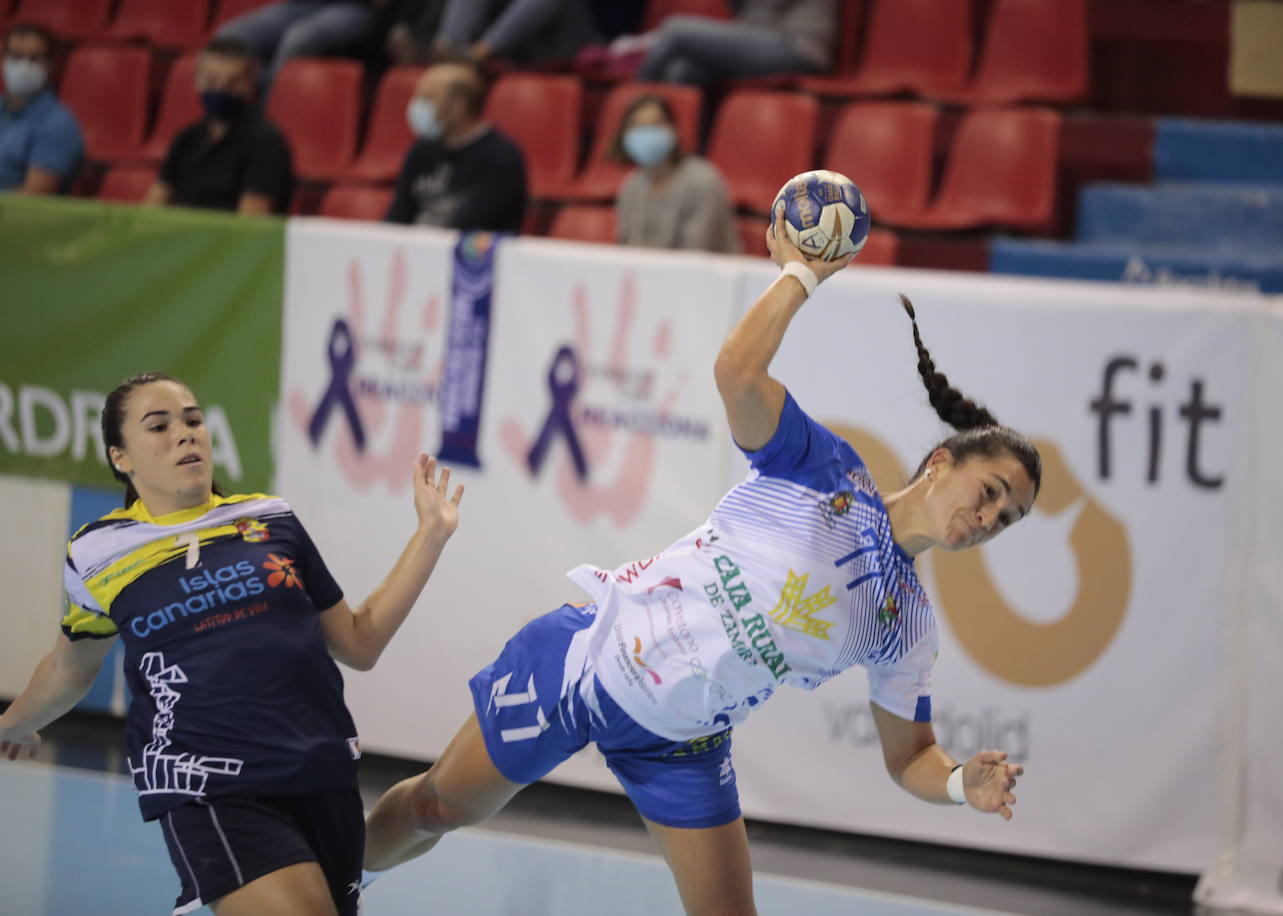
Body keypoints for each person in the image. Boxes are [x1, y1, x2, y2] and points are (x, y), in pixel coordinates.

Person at [362, 208, 1035, 913]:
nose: (989, 520)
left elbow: (910, 758)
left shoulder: (907, 625)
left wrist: (962, 784)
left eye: (1007, 519)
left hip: (682, 744)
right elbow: (737, 370)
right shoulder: (827, 470)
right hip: (589, 661)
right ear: (941, 461)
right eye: (991, 493)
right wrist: (801, 274)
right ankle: (340, 884)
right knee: (436, 806)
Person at [0, 372, 464, 915]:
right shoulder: (99, 552)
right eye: (160, 425)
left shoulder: (270, 519)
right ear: (120, 457)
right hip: (206, 782)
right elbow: (68, 668)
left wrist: (430, 536)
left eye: (194, 420)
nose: (186, 433)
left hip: (319, 768)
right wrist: (13, 724)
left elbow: (359, 643)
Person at [145, 38, 294, 215]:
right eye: (212, 80)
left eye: (233, 81)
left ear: (250, 83)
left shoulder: (266, 143)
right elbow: (151, 210)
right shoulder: (187, 137)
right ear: (197, 81)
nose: (221, 89)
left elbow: (250, 226)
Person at [384, 61, 527, 232]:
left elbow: (475, 224)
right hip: (417, 251)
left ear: (459, 106)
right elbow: (398, 214)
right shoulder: (421, 149)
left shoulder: (501, 156)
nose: (418, 107)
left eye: (428, 99)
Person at [613, 92, 739, 254]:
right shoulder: (630, 187)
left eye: (656, 124)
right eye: (638, 126)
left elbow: (696, 254)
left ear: (673, 129)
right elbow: (626, 250)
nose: (647, 133)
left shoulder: (703, 182)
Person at [638, 0, 838, 86]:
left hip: (798, 44)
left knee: (675, 29)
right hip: (761, 38)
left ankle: (629, 111)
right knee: (682, 70)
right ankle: (686, 157)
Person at [216, 0, 382, 95]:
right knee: (229, 37)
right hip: (303, 4)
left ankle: (268, 113)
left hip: (358, 7)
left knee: (299, 38)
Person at [0, 23, 83, 194]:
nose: (24, 67)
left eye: (35, 59)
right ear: (3, 61)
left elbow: (33, 198)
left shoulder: (58, 125)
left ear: (50, 65)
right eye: (16, 57)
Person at [431, 0, 599, 67]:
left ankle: (475, 54)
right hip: (506, 50)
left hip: (555, 50)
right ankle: (448, 48)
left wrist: (480, 51)